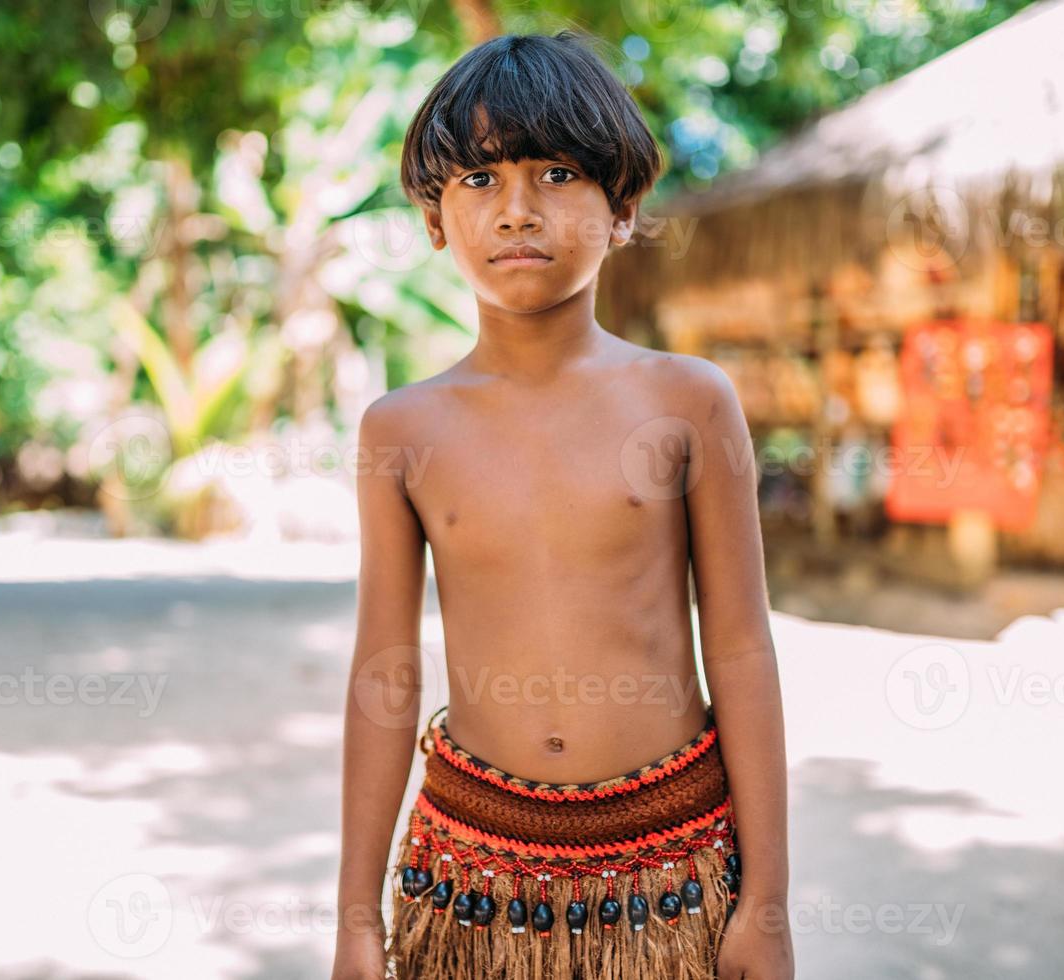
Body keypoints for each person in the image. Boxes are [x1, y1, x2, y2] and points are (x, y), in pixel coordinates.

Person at [332, 29, 792, 980]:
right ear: (432, 221)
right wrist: (356, 921)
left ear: (622, 209)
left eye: (557, 172)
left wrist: (769, 904)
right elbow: (385, 672)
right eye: (478, 181)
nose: (516, 211)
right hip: (467, 878)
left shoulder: (687, 401)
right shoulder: (401, 429)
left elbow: (741, 646)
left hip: (673, 865)